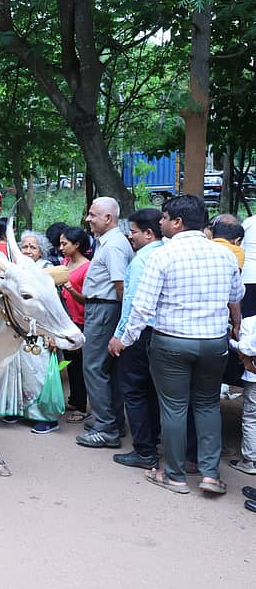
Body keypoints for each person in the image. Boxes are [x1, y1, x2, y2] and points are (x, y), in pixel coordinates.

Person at [112, 195, 243, 495]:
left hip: (172, 342)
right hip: (213, 342)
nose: (160, 223)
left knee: (173, 407)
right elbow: (234, 295)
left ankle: (174, 475)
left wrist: (126, 339)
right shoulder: (225, 255)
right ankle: (210, 475)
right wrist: (235, 326)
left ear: (178, 222)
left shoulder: (162, 255)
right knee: (208, 405)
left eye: (164, 218)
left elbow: (142, 308)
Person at [107, 208, 164, 469]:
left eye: (134, 233)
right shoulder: (168, 253)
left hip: (139, 333)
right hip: (161, 333)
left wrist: (120, 336)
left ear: (149, 233)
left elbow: (132, 303)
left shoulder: (142, 260)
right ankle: (154, 439)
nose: (131, 238)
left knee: (134, 390)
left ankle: (144, 451)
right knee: (152, 390)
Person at [75, 196, 132, 449]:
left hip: (105, 309)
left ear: (108, 218)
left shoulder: (114, 245)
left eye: (92, 215)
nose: (88, 219)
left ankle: (105, 427)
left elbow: (121, 286)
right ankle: (111, 420)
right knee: (106, 369)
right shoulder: (107, 242)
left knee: (94, 367)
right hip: (103, 308)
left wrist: (121, 322)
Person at [0, 231, 61, 433]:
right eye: (25, 246)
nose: (28, 250)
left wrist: (53, 335)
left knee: (37, 372)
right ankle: (14, 410)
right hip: (18, 330)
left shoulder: (47, 271)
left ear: (41, 251)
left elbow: (55, 306)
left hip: (41, 331)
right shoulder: (14, 270)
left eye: (33, 247)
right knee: (15, 370)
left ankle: (47, 418)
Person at [59, 226, 91, 422]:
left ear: (77, 244)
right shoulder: (64, 263)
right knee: (69, 363)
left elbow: (87, 300)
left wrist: (70, 290)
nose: (61, 247)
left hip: (80, 322)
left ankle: (81, 406)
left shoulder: (87, 268)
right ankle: (73, 398)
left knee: (79, 365)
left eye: (65, 243)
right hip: (65, 321)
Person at [230, 314, 256, 476]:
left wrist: (230, 341)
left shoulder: (249, 322)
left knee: (252, 418)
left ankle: (250, 461)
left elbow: (246, 347)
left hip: (254, 378)